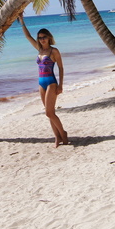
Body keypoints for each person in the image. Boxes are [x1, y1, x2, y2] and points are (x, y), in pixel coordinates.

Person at [19, 15, 69, 147]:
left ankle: (63, 133)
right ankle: (57, 137)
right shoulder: (39, 49)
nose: (42, 39)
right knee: (49, 113)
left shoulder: (54, 51)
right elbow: (28, 36)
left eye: (44, 37)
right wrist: (22, 21)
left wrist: (60, 85)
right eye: (40, 38)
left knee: (49, 112)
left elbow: (61, 68)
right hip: (41, 84)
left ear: (49, 37)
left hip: (51, 82)